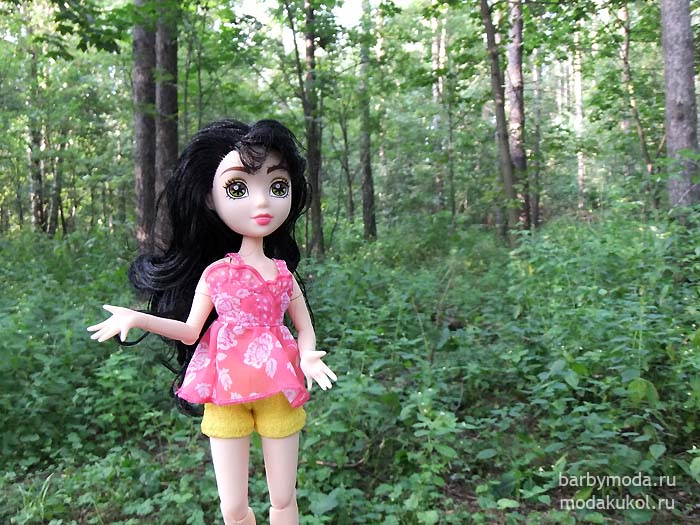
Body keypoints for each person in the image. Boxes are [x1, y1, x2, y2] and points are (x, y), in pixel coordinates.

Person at [87, 119, 337, 525]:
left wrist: (308, 356)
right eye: (238, 189)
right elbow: (190, 331)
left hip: (277, 387)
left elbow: (304, 327)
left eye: (277, 186)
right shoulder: (216, 275)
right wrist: (140, 318)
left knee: (283, 498)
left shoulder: (283, 275)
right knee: (233, 508)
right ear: (209, 197)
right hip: (224, 389)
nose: (262, 203)